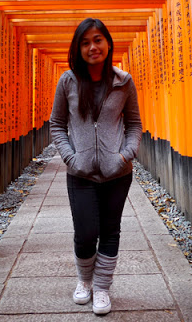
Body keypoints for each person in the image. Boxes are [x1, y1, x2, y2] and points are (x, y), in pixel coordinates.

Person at [50, 18, 142, 315]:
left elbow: (134, 124)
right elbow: (57, 124)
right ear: (77, 48)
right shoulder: (68, 81)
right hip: (81, 172)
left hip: (118, 172)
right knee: (86, 231)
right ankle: (84, 281)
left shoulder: (123, 81)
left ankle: (102, 287)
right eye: (86, 42)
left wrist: (126, 154)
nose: (93, 47)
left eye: (98, 39)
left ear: (108, 43)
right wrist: (70, 157)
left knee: (110, 230)